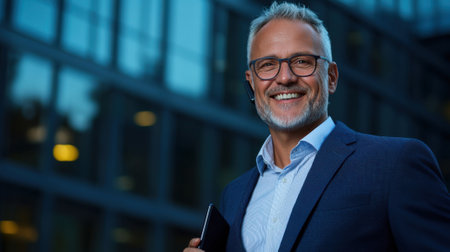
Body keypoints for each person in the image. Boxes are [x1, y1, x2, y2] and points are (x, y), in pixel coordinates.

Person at [184, 1, 450, 251]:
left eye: (302, 62)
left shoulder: (395, 164)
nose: (285, 78)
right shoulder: (234, 194)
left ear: (331, 77)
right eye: (268, 65)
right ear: (252, 83)